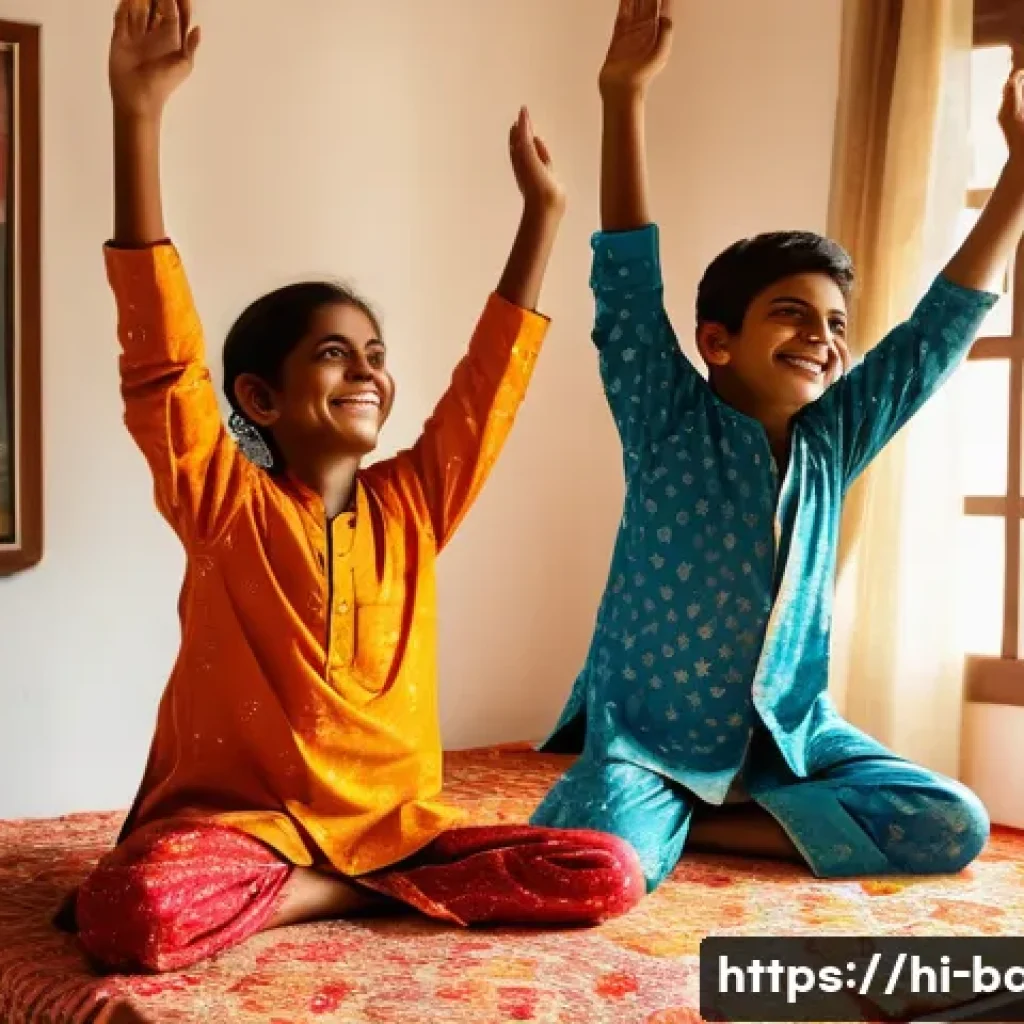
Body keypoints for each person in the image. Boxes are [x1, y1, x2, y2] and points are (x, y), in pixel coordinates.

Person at [62, 0, 643, 974]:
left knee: (608, 870)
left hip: (394, 823)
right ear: (260, 395)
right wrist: (138, 118)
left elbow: (485, 391)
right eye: (334, 355)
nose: (367, 371)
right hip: (245, 826)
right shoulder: (224, 502)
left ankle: (351, 882)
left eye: (375, 353)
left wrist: (541, 219)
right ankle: (343, 889)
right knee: (128, 911)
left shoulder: (412, 506)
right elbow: (162, 364)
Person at [531, 0, 1020, 892]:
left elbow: (935, 334)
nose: (822, 337)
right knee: (596, 866)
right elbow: (627, 284)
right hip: (653, 738)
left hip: (791, 736)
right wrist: (622, 98)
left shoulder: (836, 438)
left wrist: (1018, 180)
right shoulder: (665, 416)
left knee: (957, 823)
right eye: (791, 314)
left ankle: (712, 828)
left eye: (836, 324)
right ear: (717, 341)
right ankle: (672, 818)